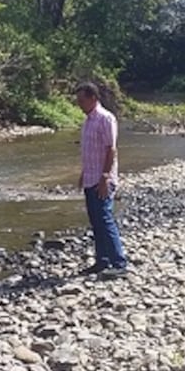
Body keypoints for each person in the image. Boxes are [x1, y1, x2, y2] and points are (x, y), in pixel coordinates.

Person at [75, 82, 128, 276]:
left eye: (82, 100)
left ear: (93, 98)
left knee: (105, 220)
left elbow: (110, 149)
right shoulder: (88, 120)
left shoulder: (106, 118)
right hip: (90, 177)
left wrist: (105, 177)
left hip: (102, 179)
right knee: (96, 221)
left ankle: (119, 264)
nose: (79, 104)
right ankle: (102, 261)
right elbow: (90, 150)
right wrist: (83, 174)